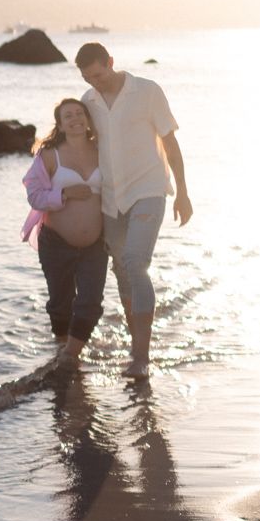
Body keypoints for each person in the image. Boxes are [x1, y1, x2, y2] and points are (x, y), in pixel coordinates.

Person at [75, 41, 191, 378]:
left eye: (98, 74)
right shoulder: (89, 102)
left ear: (110, 62)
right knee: (122, 273)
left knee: (136, 262)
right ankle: (135, 345)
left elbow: (170, 142)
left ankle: (141, 357)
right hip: (111, 199)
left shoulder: (147, 91)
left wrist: (183, 192)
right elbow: (85, 148)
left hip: (149, 189)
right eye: (87, 78)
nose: (94, 82)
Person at [20, 97, 107, 365]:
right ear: (59, 124)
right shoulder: (49, 154)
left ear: (88, 119)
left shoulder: (103, 150)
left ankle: (71, 355)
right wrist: (64, 193)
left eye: (80, 113)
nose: (75, 119)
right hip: (56, 242)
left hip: (95, 244)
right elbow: (34, 195)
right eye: (68, 115)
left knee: (91, 301)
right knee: (60, 301)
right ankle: (62, 350)